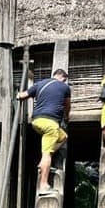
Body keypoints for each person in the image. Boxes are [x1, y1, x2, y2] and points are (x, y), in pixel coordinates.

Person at [18, 68, 71, 196]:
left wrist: (18, 95)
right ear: (63, 78)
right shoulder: (65, 87)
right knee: (47, 154)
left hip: (36, 122)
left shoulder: (40, 84)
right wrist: (67, 116)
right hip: (50, 124)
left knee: (63, 136)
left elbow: (22, 95)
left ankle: (43, 162)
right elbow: (67, 105)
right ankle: (43, 186)